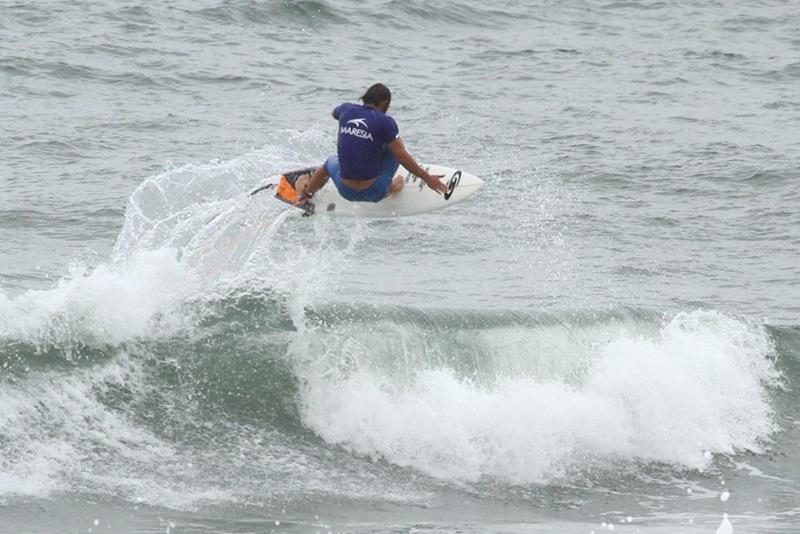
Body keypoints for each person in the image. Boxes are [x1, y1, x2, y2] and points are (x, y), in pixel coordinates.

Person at [298, 83, 447, 205]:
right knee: (394, 148)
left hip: (345, 190)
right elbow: (402, 157)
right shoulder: (385, 122)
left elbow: (334, 113)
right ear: (385, 103)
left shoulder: (346, 110)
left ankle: (306, 195)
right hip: (375, 192)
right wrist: (428, 179)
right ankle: (391, 187)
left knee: (329, 163)